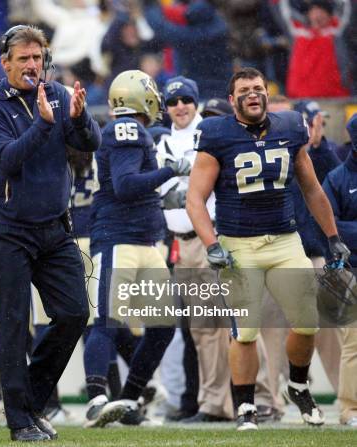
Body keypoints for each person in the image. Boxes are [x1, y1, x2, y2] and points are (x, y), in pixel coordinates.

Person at [186, 67, 350, 431]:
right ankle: (245, 406)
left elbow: (312, 189)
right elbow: (195, 199)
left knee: (307, 322)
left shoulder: (290, 127)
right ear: (232, 100)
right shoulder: (216, 133)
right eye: (244, 90)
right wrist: (211, 243)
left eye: (258, 88)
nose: (252, 94)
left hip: (285, 239)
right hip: (237, 244)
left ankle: (297, 385)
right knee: (245, 331)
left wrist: (332, 236)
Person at [0, 25, 101, 442]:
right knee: (14, 323)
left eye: (37, 58)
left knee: (73, 313)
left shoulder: (61, 95)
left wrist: (80, 118)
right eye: (23, 58)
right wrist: (44, 126)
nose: (32, 65)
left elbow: (90, 144)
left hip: (54, 227)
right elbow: (8, 159)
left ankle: (30, 401)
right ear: (5, 62)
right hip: (6, 230)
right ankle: (19, 422)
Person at [83, 69, 187, 428]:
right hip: (118, 239)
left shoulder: (131, 131)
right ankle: (97, 399)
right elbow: (126, 185)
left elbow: (134, 186)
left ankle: (128, 398)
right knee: (107, 322)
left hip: (143, 240)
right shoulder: (126, 127)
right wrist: (170, 171)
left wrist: (168, 194)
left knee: (162, 326)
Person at [156, 76, 233, 424]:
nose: (180, 106)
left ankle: (219, 403)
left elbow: (203, 191)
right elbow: (162, 196)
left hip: (209, 238)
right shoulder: (164, 142)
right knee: (199, 330)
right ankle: (212, 400)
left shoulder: (211, 133)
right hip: (181, 243)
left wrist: (179, 183)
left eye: (187, 99)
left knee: (215, 326)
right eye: (173, 102)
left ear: (196, 101)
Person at [322, 114, 357, 427]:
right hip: (349, 268)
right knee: (354, 343)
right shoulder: (337, 179)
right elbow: (329, 226)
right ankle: (351, 409)